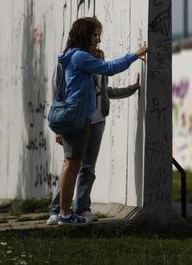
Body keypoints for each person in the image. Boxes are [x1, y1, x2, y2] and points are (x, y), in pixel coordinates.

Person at [52, 17, 147, 226]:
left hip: (78, 116)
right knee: (72, 165)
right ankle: (64, 214)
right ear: (84, 35)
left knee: (73, 165)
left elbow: (102, 88)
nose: (98, 40)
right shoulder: (80, 57)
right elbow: (110, 68)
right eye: (95, 35)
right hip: (78, 117)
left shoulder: (72, 56)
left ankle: (66, 213)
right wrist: (134, 55)